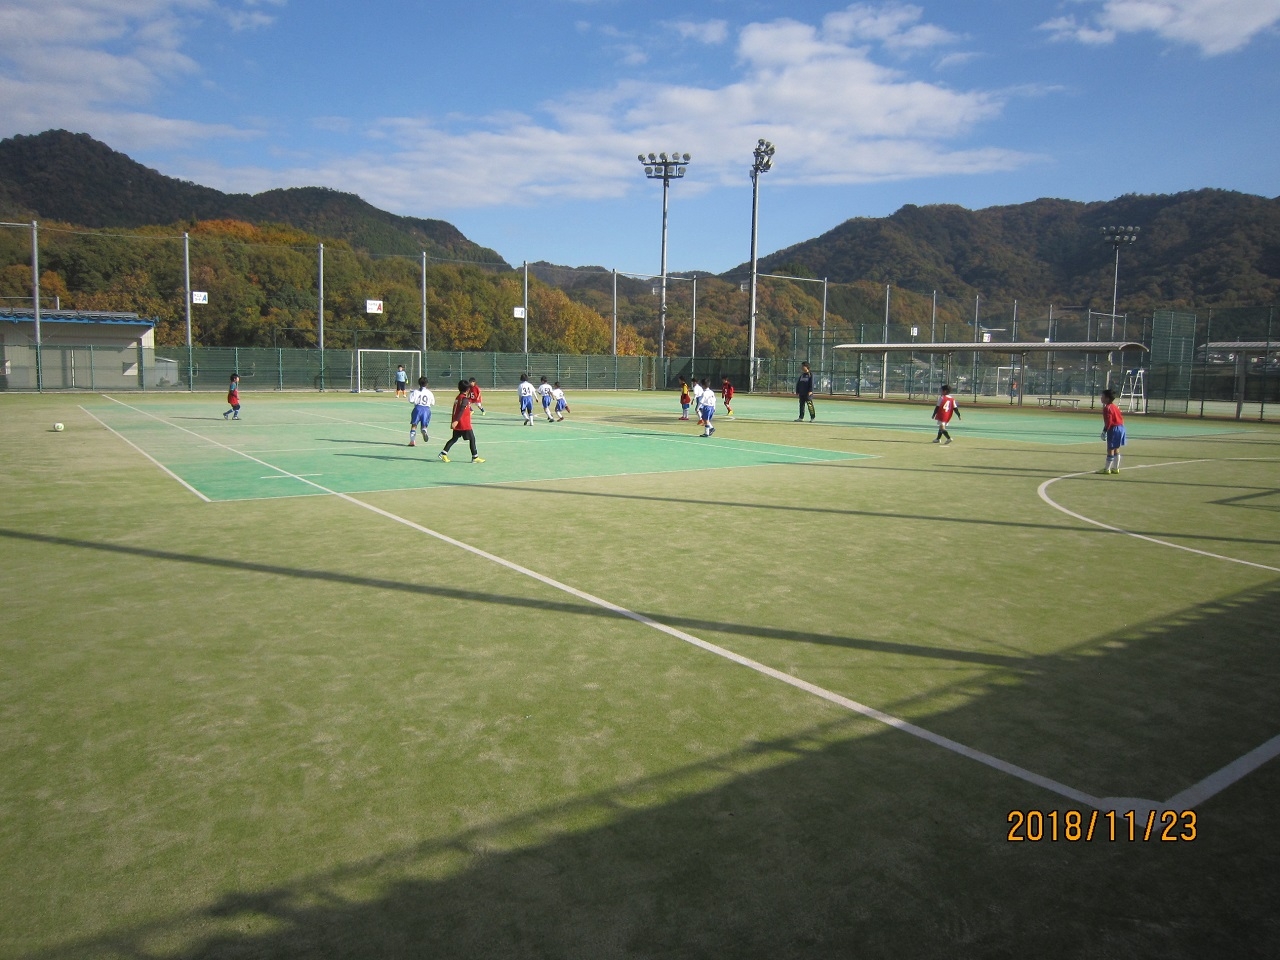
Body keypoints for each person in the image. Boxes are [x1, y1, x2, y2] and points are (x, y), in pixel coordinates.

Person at [439, 379, 484, 462]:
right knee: (472, 438)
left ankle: (443, 453)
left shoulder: (458, 397)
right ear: (468, 389)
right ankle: (475, 457)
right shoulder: (464, 399)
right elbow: (461, 411)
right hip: (463, 423)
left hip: (458, 423)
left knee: (454, 438)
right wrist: (456, 421)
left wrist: (454, 421)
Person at [1098, 388, 1125, 474]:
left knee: (1110, 449)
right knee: (1116, 448)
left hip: (1114, 429)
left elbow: (1108, 421)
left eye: (1102, 396)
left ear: (1107, 398)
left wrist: (1104, 431)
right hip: (1121, 427)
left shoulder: (1107, 408)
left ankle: (1107, 469)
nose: (1101, 398)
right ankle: (1115, 468)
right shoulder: (1115, 407)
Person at [407, 376, 434, 447]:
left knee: (414, 425)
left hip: (418, 408)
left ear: (419, 383)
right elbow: (433, 403)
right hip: (426, 409)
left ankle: (412, 441)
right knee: (424, 425)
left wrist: (411, 393)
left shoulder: (415, 391)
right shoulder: (429, 392)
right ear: (427, 384)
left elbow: (411, 401)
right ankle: (424, 430)